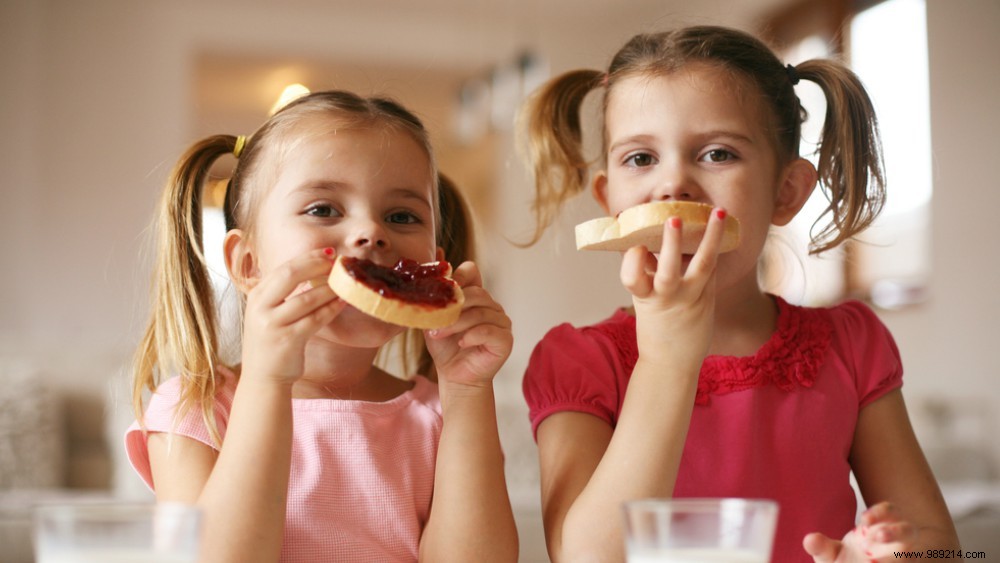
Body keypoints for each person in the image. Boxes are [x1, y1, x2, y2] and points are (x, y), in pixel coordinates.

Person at [518, 25, 958, 563]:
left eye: (718, 154)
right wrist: (666, 359)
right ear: (610, 200)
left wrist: (894, 554)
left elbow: (939, 546)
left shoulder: (852, 346)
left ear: (785, 191)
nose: (673, 184)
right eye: (640, 158)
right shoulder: (578, 362)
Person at [125, 90, 518, 563]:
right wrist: (269, 381)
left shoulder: (441, 416)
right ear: (249, 263)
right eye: (323, 209)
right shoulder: (195, 412)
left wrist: (469, 391)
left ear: (435, 264)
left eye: (401, 216)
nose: (372, 232)